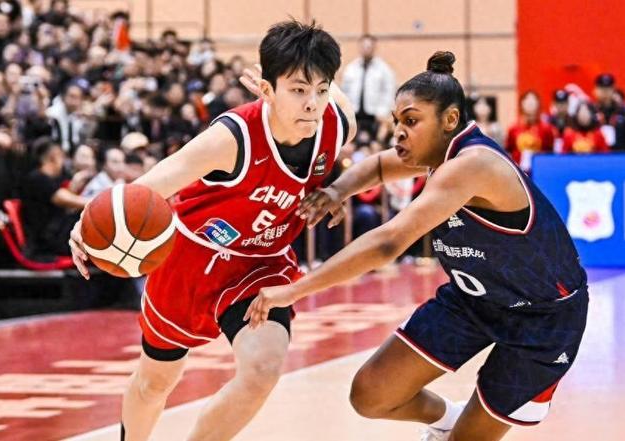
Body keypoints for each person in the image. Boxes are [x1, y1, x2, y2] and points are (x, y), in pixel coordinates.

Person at [246, 51, 588, 441]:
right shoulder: (438, 152)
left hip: (542, 319)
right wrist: (336, 191)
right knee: (371, 394)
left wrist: (295, 290)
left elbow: (388, 243)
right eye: (397, 121)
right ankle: (447, 420)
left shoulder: (474, 164)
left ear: (450, 120)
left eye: (410, 121)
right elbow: (379, 166)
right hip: (475, 301)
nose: (398, 132)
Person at [68, 20, 356, 441]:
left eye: (321, 90)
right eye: (298, 90)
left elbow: (339, 109)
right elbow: (150, 185)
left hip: (262, 263)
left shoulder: (336, 123)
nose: (312, 103)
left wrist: (337, 190)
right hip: (192, 260)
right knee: (155, 381)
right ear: (267, 89)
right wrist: (87, 222)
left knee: (262, 370)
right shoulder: (231, 138)